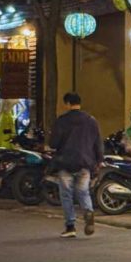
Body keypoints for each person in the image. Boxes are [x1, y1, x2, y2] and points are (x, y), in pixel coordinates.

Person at [49, 92, 103, 239]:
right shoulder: (91, 121)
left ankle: (70, 226)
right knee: (83, 191)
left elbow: (53, 143)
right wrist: (99, 160)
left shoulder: (62, 121)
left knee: (66, 195)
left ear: (67, 104)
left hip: (65, 162)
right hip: (85, 162)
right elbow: (98, 142)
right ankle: (88, 210)